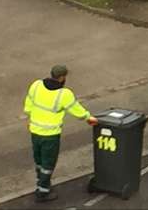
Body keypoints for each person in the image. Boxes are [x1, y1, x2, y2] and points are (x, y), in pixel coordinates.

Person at [23, 65, 98, 203]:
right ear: (62, 77)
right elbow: (76, 110)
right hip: (50, 135)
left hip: (35, 131)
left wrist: (30, 118)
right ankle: (43, 192)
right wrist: (89, 118)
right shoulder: (64, 94)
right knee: (48, 164)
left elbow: (28, 104)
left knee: (39, 161)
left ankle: (41, 184)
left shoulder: (36, 85)